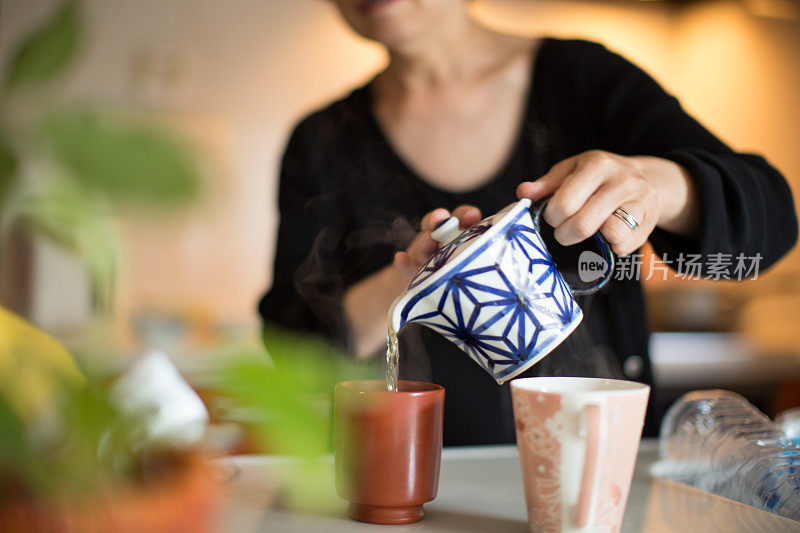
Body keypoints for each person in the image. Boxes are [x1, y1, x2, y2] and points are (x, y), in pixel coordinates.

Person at [259, 0, 798, 445]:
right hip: (419, 480)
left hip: (602, 467)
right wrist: (413, 282)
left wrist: (655, 183)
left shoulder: (583, 81)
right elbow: (291, 350)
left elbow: (773, 216)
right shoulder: (323, 141)